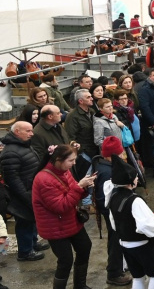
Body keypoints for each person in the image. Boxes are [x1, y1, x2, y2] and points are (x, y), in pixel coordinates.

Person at [32, 145, 95, 289]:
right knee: (65, 260)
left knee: (85, 247)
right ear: (59, 160)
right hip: (54, 226)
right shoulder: (44, 179)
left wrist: (85, 186)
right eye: (71, 160)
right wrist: (79, 187)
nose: (74, 163)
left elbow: (73, 191)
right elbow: (61, 206)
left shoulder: (64, 171)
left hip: (70, 221)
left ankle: (80, 285)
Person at [106, 155, 154, 289]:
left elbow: (113, 222)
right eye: (135, 177)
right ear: (130, 181)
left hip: (125, 245)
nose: (137, 178)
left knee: (138, 277)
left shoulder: (113, 197)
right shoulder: (135, 200)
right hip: (141, 246)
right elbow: (145, 226)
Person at [0, 122, 49, 263]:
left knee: (32, 218)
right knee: (24, 221)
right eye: (27, 131)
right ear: (17, 132)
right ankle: (25, 252)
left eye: (31, 130)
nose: (31, 134)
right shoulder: (10, 152)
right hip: (22, 194)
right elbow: (12, 178)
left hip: (31, 189)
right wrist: (25, 195)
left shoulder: (24, 145)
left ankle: (33, 243)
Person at [92, 137, 133, 287]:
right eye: (121, 153)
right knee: (116, 241)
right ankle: (114, 272)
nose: (124, 156)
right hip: (113, 213)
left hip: (115, 211)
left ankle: (120, 267)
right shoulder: (106, 172)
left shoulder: (106, 166)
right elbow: (104, 199)